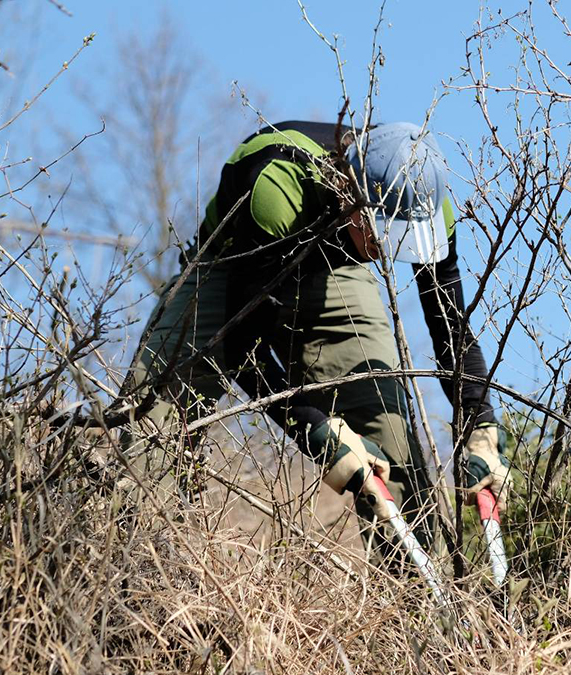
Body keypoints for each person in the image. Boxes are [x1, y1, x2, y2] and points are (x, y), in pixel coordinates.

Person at [119, 120, 512, 552]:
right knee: (154, 420)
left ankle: (420, 605)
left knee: (390, 436)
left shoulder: (424, 197)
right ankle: (138, 567)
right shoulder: (274, 192)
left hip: (337, 269)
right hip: (235, 265)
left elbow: (449, 324)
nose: (390, 250)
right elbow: (242, 344)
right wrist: (314, 428)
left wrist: (480, 423)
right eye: (384, 233)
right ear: (351, 198)